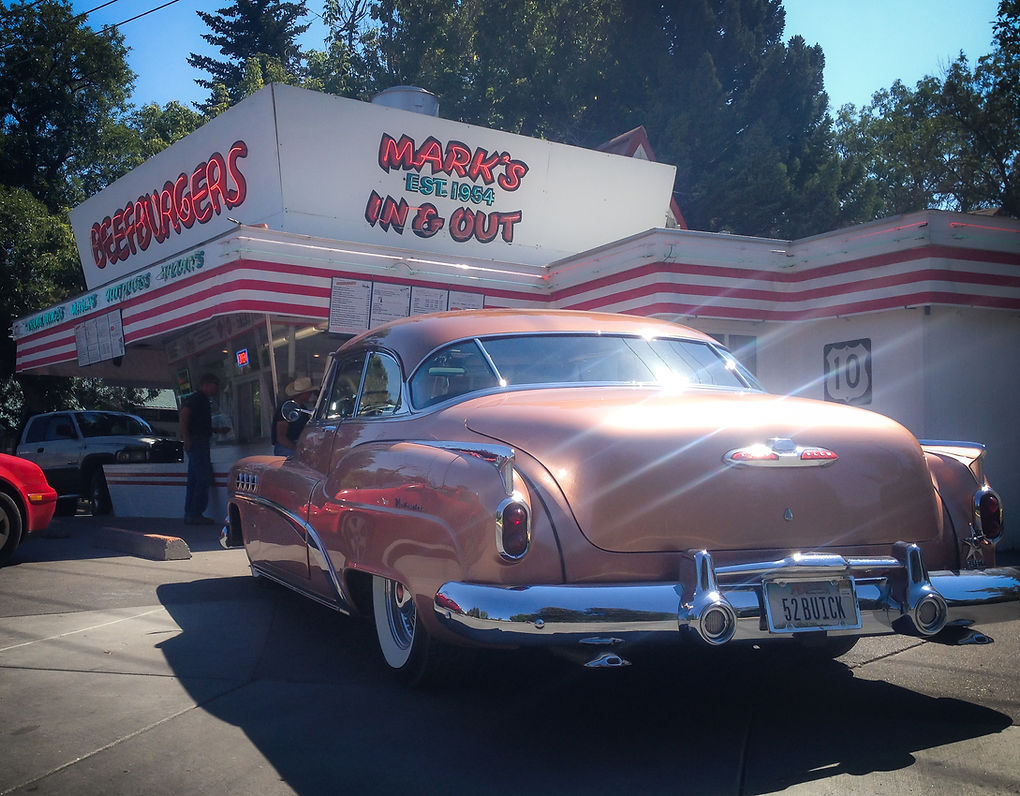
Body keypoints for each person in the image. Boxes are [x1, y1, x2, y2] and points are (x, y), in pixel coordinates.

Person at [179, 373, 228, 525]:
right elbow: (184, 415)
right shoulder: (198, 399)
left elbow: (198, 423)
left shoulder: (202, 400)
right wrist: (186, 438)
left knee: (194, 478)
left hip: (197, 440)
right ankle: (196, 513)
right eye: (214, 385)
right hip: (197, 442)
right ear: (207, 384)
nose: (215, 389)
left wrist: (216, 430)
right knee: (203, 477)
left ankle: (190, 512)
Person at [272, 376, 316, 456]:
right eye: (308, 392)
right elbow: (281, 436)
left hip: (298, 444)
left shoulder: (302, 408)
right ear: (302, 394)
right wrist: (296, 449)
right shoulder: (287, 408)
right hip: (286, 448)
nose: (310, 394)